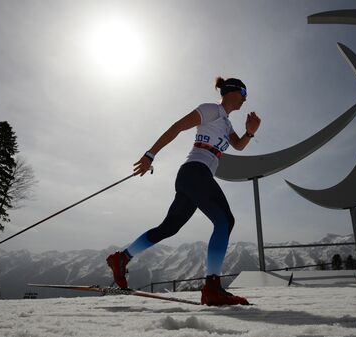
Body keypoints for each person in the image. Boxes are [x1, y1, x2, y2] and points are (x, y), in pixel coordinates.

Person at [107, 77, 261, 306]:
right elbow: (178, 126)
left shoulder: (227, 123)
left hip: (194, 177)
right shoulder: (211, 110)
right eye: (244, 92)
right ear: (232, 91)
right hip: (195, 172)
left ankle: (122, 258)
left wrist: (249, 133)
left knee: (169, 228)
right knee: (225, 221)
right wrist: (150, 154)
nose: (246, 98)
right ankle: (212, 288)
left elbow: (237, 145)